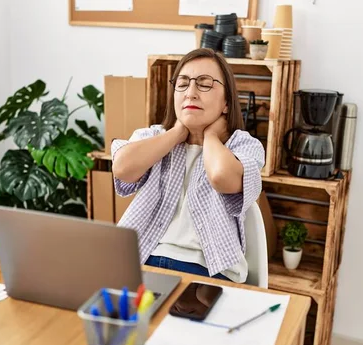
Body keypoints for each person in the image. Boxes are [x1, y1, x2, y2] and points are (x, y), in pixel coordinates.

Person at [111, 48, 265, 283]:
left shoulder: (243, 146)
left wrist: (211, 136)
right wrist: (177, 132)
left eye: (204, 84)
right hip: (143, 260)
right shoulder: (154, 136)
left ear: (226, 103)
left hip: (207, 271)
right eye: (182, 84)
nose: (190, 93)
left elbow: (222, 177)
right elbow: (122, 167)